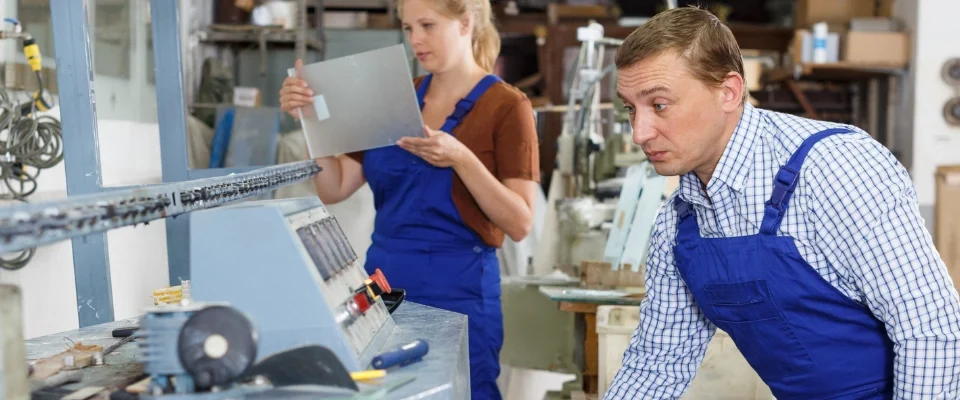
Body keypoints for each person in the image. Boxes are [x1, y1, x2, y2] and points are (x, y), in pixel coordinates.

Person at [604, 6, 960, 400]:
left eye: (659, 105)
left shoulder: (834, 167)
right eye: (631, 109)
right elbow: (657, 364)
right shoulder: (678, 222)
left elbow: (929, 328)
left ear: (728, 92)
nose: (639, 133)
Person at [279, 0, 540, 398]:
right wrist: (310, 122)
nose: (415, 40)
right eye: (408, 28)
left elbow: (519, 223)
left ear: (465, 23)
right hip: (383, 289)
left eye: (427, 26)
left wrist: (461, 158)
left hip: (459, 291)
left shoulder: (507, 106)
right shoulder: (391, 99)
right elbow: (334, 188)